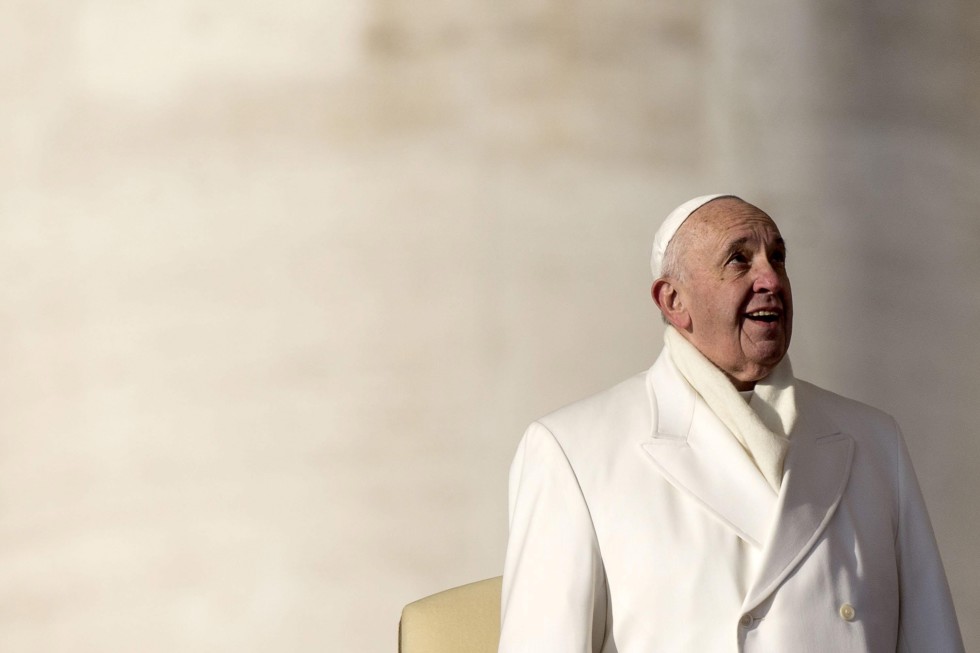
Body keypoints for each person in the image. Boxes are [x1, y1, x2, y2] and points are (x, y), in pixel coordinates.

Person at [497, 195, 964, 652]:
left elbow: (931, 637)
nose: (771, 279)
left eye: (777, 258)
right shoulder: (573, 450)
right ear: (674, 300)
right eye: (739, 260)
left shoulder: (874, 439)